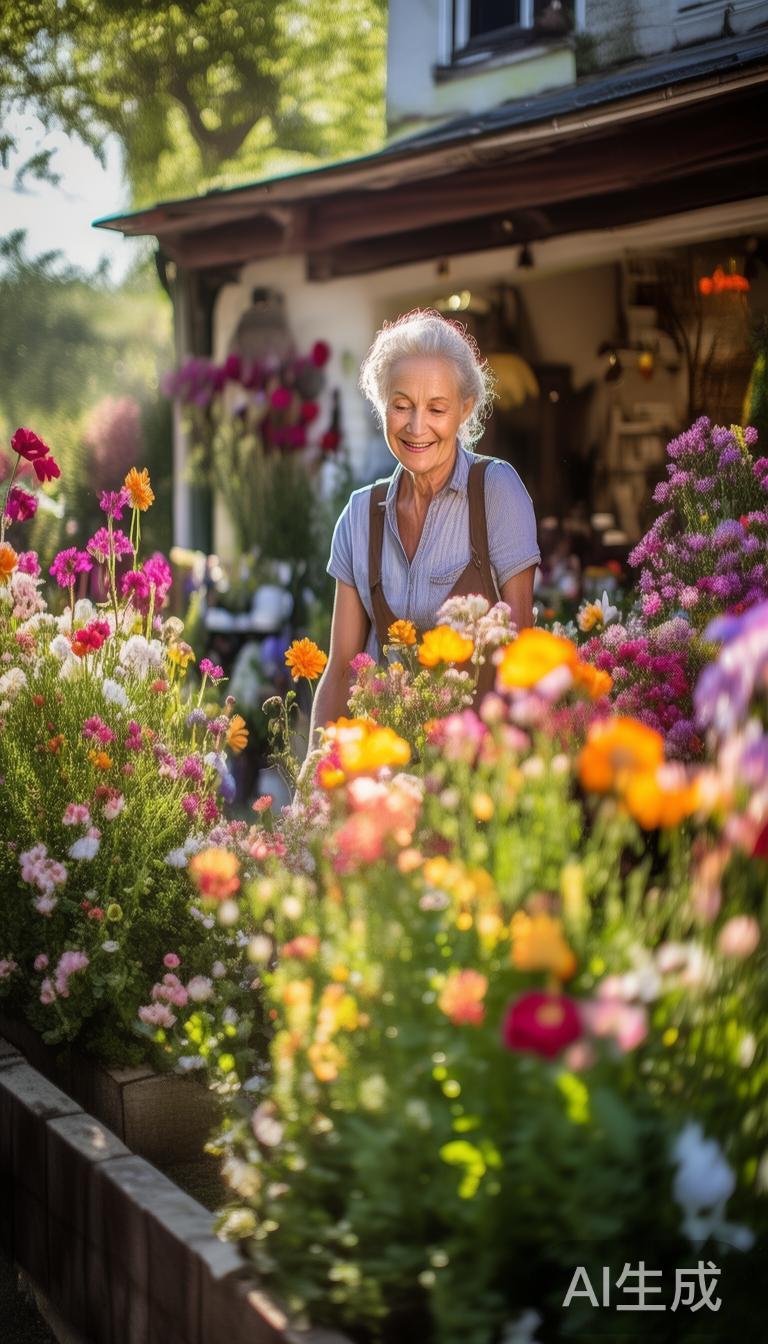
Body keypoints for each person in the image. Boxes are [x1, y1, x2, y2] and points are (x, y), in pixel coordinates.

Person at [308, 308, 540, 745]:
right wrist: (312, 780)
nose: (417, 427)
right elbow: (341, 668)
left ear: (464, 409)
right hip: (385, 779)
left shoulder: (495, 493)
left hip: (474, 778)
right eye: (401, 406)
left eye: (436, 408)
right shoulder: (359, 516)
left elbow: (521, 649)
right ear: (382, 406)